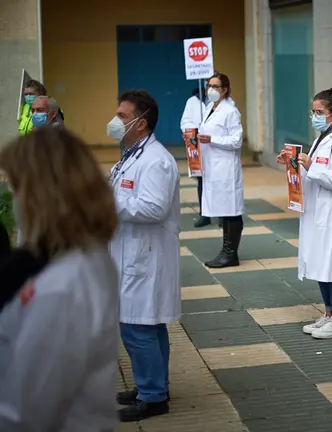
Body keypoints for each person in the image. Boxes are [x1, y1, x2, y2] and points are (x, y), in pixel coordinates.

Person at [0, 127, 120, 430]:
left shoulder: (62, 288)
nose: (14, 199)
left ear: (39, 194)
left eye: (17, 188)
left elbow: (27, 412)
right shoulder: (79, 254)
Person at [107, 90, 181, 422]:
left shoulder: (157, 160)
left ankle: (153, 396)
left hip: (144, 257)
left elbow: (154, 207)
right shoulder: (132, 154)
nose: (115, 121)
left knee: (138, 328)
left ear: (142, 122)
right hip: (133, 253)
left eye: (122, 116)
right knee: (147, 326)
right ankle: (151, 386)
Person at [278, 85, 332, 340]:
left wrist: (311, 166)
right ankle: (329, 312)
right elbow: (311, 176)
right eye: (313, 111)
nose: (314, 116)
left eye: (319, 111)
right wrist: (292, 164)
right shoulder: (320, 140)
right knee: (321, 265)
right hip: (316, 212)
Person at [198, 72, 244, 268]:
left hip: (226, 167)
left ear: (225, 89)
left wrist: (212, 140)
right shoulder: (210, 108)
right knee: (223, 210)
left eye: (216, 86)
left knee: (231, 210)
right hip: (213, 166)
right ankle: (226, 251)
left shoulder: (230, 111)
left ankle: (230, 253)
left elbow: (236, 140)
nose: (211, 90)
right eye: (209, 85)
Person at [180, 86, 210, 228]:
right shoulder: (192, 101)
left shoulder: (226, 104)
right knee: (201, 181)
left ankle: (223, 215)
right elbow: (185, 122)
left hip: (216, 148)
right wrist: (192, 131)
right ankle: (204, 214)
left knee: (219, 183)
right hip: (197, 146)